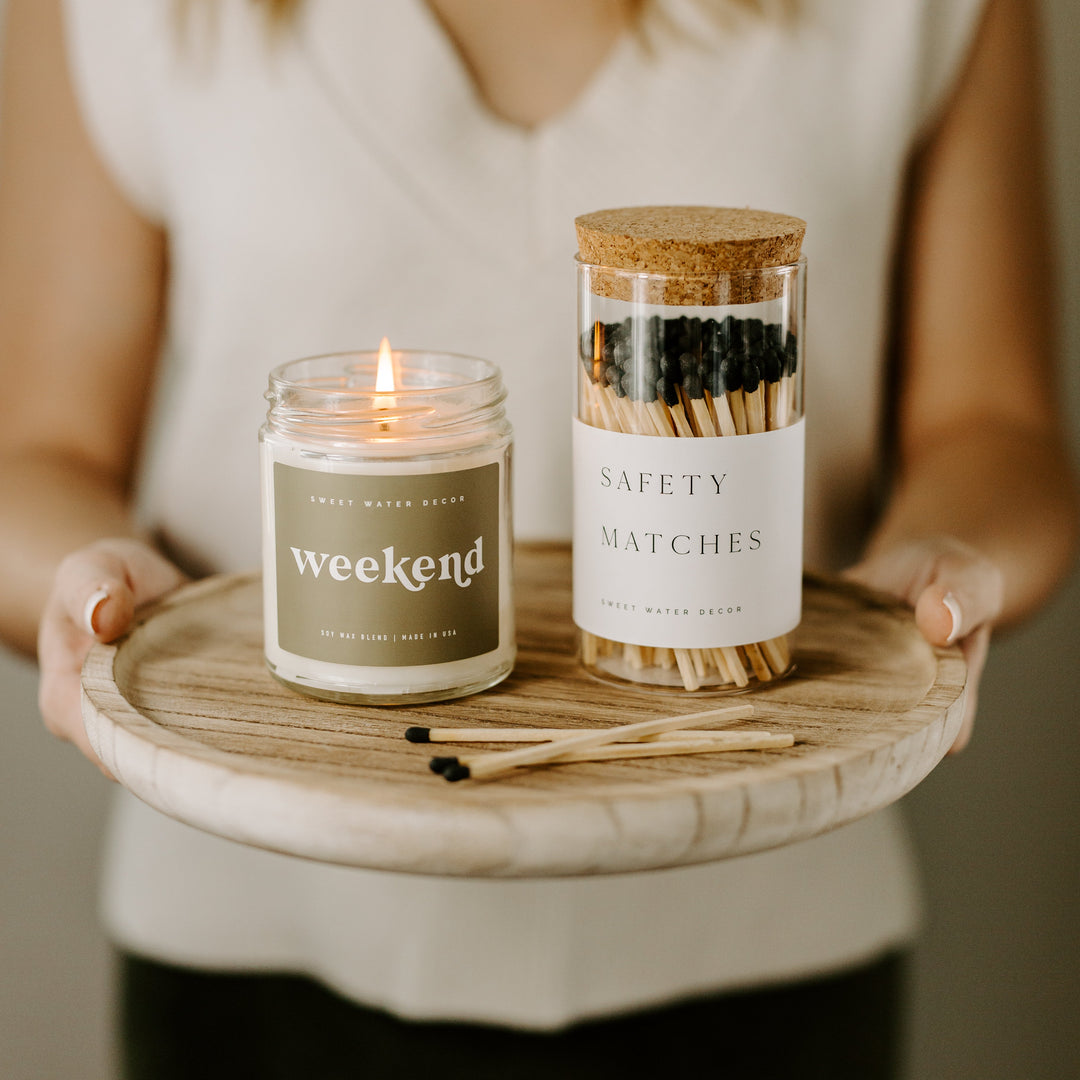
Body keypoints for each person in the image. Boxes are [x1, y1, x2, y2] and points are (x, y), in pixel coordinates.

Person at [0, 0, 1076, 1076]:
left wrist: (941, 573)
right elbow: (39, 456)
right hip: (253, 923)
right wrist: (92, 590)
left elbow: (997, 430)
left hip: (764, 907)